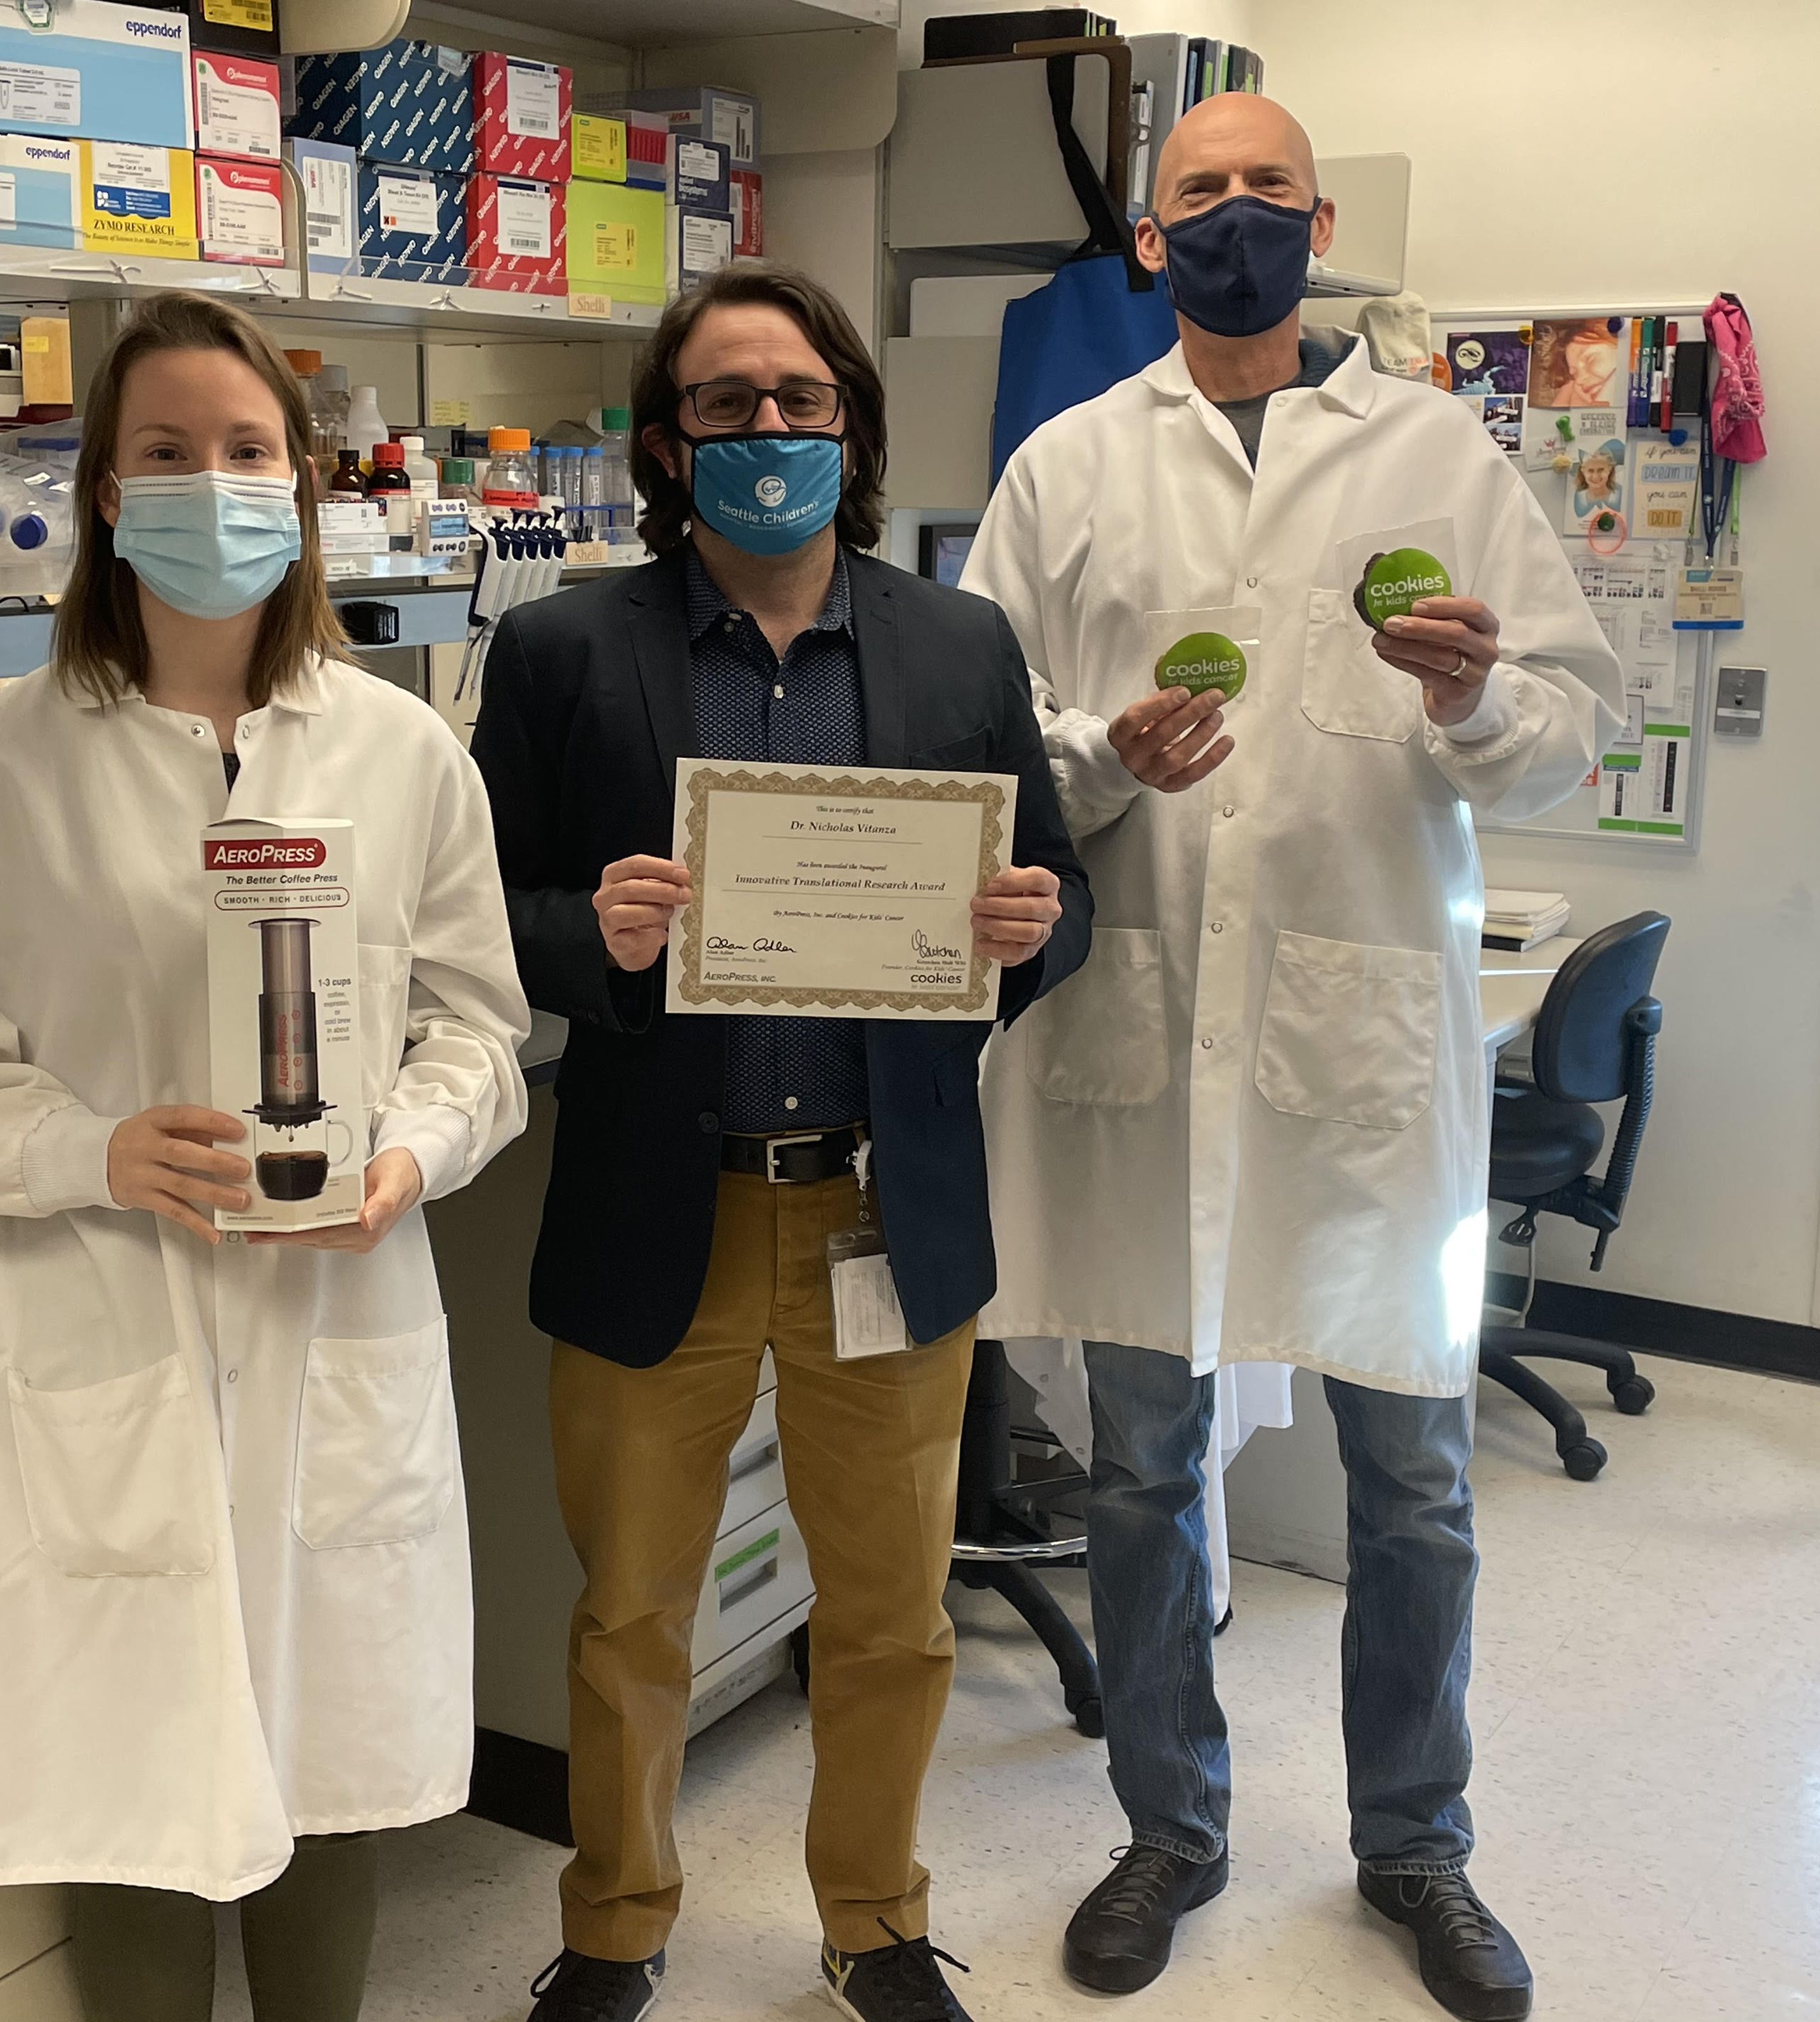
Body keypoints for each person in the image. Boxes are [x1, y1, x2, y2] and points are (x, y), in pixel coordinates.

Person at [960, 97, 1623, 2022]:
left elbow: (1571, 722)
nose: (1237, 217)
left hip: (1360, 1056)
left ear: (1316, 226)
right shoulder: (1069, 463)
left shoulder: (1439, 454)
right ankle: (1170, 1825)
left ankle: (1418, 1845)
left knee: (1412, 1472)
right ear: (1150, 243)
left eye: (1269, 191)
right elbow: (988, 735)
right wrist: (1101, 763)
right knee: (1150, 1470)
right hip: (1147, 1038)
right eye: (1200, 195)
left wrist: (1482, 693)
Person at [0, 289, 529, 2022]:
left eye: (250, 451)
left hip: (330, 1317)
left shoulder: (403, 750)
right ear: (104, 496)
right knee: (127, 1774)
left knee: (328, 1750)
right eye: (169, 453)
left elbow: (479, 1035)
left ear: (306, 479)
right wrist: (88, 1149)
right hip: (93, 1322)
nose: (216, 486)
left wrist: (407, 1161)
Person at [469, 262, 1093, 2022]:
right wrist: (599, 936)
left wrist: (1018, 929)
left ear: (850, 425)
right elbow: (472, 910)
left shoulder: (957, 641)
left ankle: (877, 1921)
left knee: (893, 1616)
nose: (765, 431)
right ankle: (614, 1927)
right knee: (628, 1619)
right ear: (668, 442)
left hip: (882, 1210)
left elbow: (1065, 905)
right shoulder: (568, 647)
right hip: (654, 1194)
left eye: (797, 401)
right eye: (725, 403)